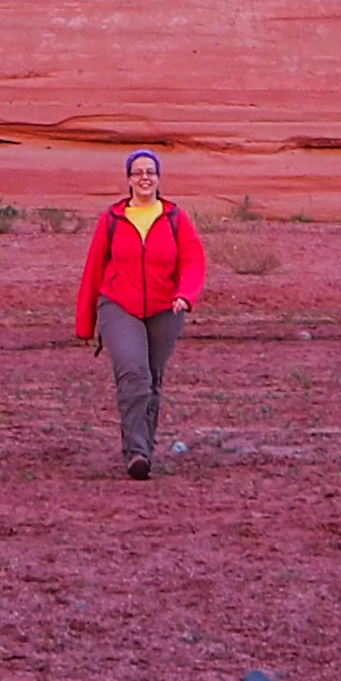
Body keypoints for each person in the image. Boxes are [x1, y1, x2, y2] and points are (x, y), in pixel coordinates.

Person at [72, 148, 207, 479]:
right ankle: (136, 453)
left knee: (152, 380)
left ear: (158, 178)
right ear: (129, 179)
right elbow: (94, 269)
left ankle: (144, 446)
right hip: (119, 305)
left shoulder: (175, 217)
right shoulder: (113, 218)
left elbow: (193, 262)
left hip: (166, 308)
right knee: (134, 374)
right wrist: (84, 323)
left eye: (150, 172)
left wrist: (186, 296)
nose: (144, 177)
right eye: (138, 172)